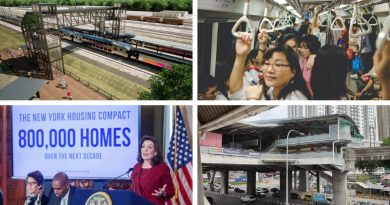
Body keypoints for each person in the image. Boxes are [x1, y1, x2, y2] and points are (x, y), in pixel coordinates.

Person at [229, 32, 310, 100]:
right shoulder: (271, 91)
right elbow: (236, 95)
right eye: (267, 63)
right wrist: (240, 55)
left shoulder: (296, 98)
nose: (270, 70)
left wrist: (253, 100)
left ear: (293, 72)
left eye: (278, 65)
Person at [129, 135, 174, 205]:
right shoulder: (136, 167)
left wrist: (164, 193)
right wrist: (118, 193)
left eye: (149, 147)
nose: (145, 149)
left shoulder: (162, 168)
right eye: (143, 146)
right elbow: (133, 189)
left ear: (155, 152)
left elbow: (171, 191)